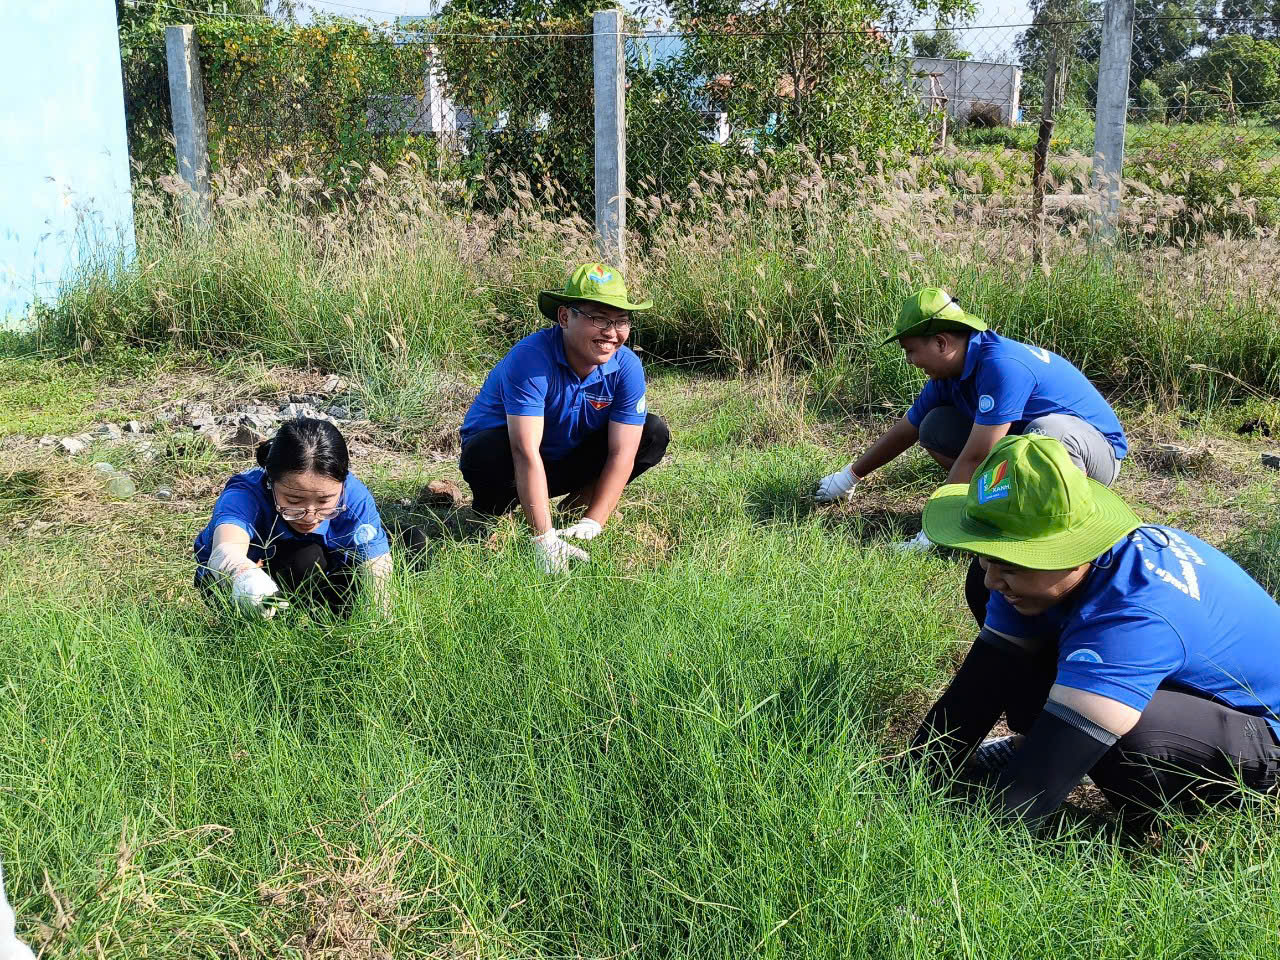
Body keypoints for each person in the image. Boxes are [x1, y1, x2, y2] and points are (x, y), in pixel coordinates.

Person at [908, 433, 1280, 831]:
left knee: (1136, 738)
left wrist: (962, 849)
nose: (993, 579)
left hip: (1264, 736)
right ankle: (1053, 744)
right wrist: (915, 778)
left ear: (1070, 551)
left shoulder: (1133, 613)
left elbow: (1021, 804)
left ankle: (1160, 829)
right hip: (1185, 688)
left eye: (1012, 565)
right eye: (988, 557)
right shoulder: (1052, 566)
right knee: (1000, 606)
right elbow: (982, 683)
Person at [814, 288, 1128, 551]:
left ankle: (1059, 525)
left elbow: (977, 455)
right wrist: (850, 477)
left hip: (1094, 454)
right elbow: (905, 432)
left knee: (1044, 434)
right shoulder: (947, 375)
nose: (909, 361)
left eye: (911, 350)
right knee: (934, 426)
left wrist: (934, 531)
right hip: (1032, 450)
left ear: (940, 343)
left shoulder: (1001, 365)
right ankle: (1001, 505)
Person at [459, 263, 670, 573]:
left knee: (652, 432)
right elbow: (524, 450)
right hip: (506, 465)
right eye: (599, 318)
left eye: (621, 321)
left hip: (564, 459)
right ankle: (498, 516)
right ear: (564, 317)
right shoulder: (530, 358)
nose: (611, 333)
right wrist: (544, 539)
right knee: (489, 446)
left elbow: (623, 451)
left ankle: (578, 509)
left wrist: (595, 521)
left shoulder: (626, 367)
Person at [193, 418, 393, 618]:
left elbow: (375, 563)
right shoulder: (244, 496)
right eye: (294, 501)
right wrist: (247, 579)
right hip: (248, 584)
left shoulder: (353, 494)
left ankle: (333, 617)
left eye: (324, 501)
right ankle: (286, 621)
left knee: (413, 541)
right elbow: (225, 551)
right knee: (306, 559)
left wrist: (378, 621)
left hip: (325, 567)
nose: (310, 517)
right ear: (271, 481)